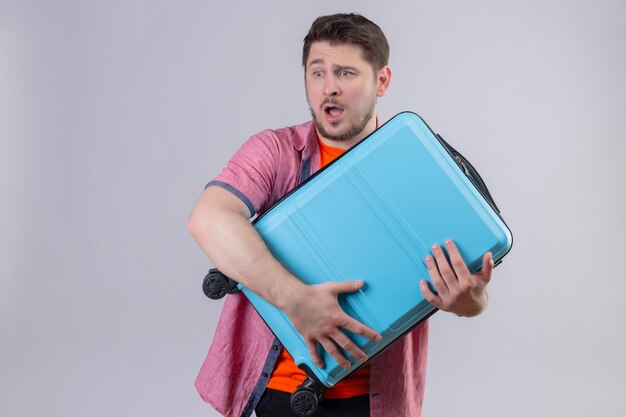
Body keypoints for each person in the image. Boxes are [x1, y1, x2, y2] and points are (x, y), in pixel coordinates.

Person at [188, 13, 494, 417]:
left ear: (382, 81)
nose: (329, 88)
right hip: (274, 393)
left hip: (375, 402)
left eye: (346, 73)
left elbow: (473, 298)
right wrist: (296, 300)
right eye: (317, 73)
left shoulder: (421, 170)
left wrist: (469, 301)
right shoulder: (275, 151)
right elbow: (209, 219)